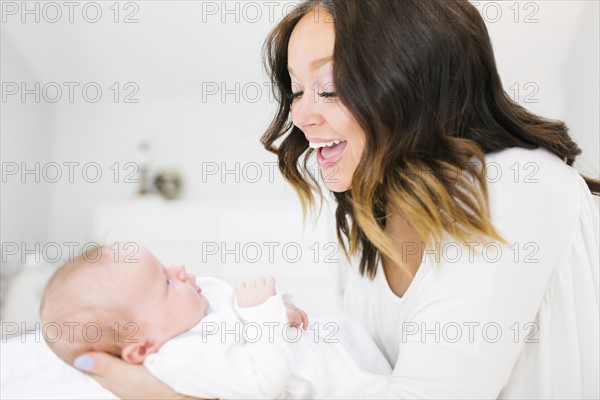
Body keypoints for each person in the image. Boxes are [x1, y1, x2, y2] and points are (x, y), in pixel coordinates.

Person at [70, 1, 600, 398]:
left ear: (415, 82)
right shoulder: (366, 220)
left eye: (328, 87)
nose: (300, 116)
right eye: (296, 89)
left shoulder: (516, 185)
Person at [40, 244, 391, 399]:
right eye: (165, 283)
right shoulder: (177, 360)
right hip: (355, 389)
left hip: (357, 355)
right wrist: (262, 314)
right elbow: (262, 383)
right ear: (143, 347)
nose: (178, 270)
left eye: (165, 266)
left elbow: (245, 328)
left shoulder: (192, 316)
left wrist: (280, 313)